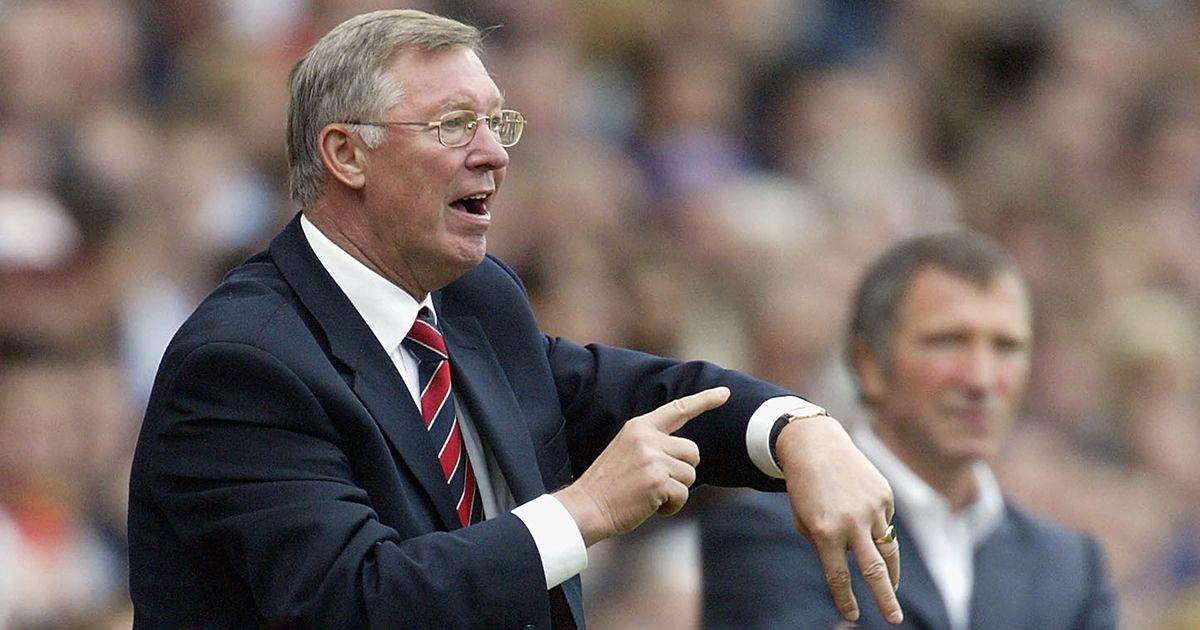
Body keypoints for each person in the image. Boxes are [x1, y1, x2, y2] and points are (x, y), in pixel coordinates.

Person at [127, 9, 903, 629]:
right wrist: (584, 511)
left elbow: (628, 393)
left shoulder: (474, 300)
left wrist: (798, 428)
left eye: (498, 125)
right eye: (452, 124)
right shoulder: (242, 362)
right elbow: (358, 599)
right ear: (345, 154)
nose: (494, 155)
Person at [700, 230, 1118, 629]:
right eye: (948, 341)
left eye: (1006, 347)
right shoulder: (774, 534)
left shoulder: (1070, 568)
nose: (982, 379)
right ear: (869, 365)